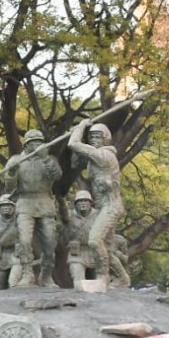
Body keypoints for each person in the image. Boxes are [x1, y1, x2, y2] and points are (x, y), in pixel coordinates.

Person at [67, 120, 125, 289]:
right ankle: (123, 278)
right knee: (105, 246)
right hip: (101, 207)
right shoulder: (94, 159)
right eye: (91, 136)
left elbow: (73, 144)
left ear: (106, 138)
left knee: (94, 241)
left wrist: (80, 127)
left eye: (97, 136)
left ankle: (103, 276)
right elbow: (74, 163)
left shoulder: (104, 156)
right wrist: (77, 146)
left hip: (110, 206)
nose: (93, 139)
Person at [2, 129, 62, 288]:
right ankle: (27, 274)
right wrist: (11, 172)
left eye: (39, 142)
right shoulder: (16, 160)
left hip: (44, 202)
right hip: (25, 203)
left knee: (49, 242)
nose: (36, 145)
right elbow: (8, 189)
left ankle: (46, 275)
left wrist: (45, 159)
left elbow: (57, 176)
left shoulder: (50, 159)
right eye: (33, 142)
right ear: (26, 145)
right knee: (24, 241)